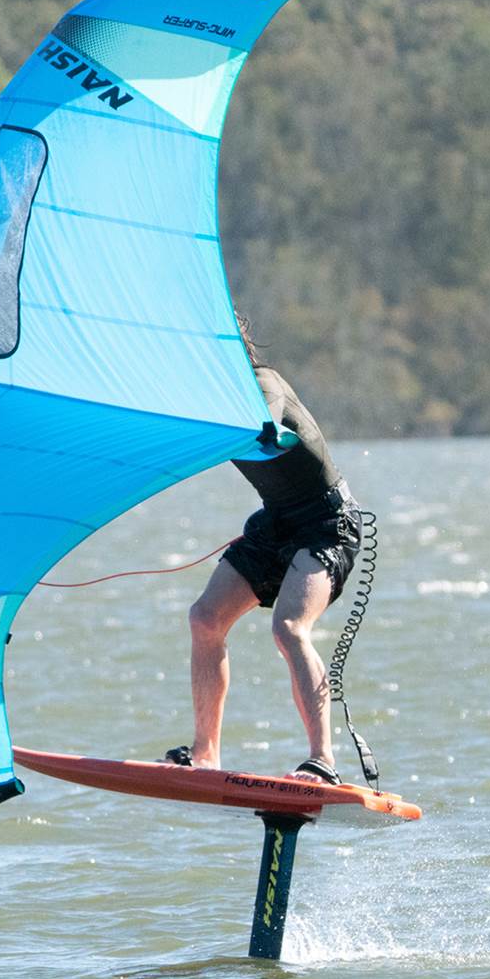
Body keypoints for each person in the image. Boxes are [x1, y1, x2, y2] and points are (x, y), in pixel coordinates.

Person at [165, 319, 360, 783]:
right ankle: (205, 751)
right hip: (276, 522)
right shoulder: (209, 405)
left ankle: (323, 761)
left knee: (289, 626)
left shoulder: (263, 382)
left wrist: (256, 430)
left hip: (327, 523)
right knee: (204, 619)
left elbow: (265, 418)